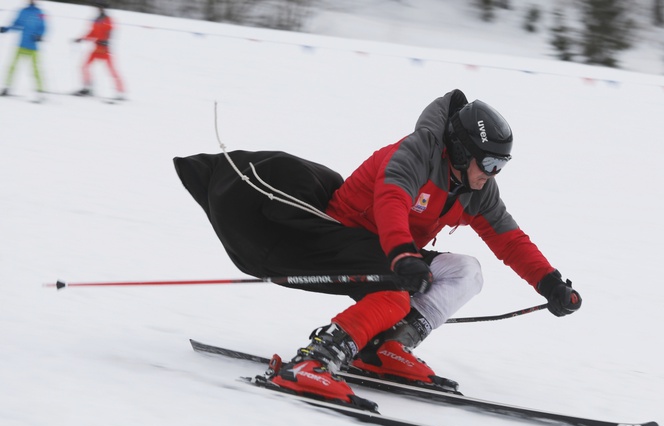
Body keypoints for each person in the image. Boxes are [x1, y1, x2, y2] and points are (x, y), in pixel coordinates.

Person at [174, 89, 582, 408]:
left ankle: (384, 346)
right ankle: (313, 361)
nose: (493, 175)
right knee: (393, 292)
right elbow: (391, 201)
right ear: (461, 150)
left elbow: (509, 238)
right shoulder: (416, 154)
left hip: (390, 249)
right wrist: (403, 255)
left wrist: (549, 285)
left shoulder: (478, 189)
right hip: (339, 234)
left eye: (501, 166)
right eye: (489, 164)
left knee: (466, 272)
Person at [73, 2, 125, 99]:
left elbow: (111, 31)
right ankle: (87, 88)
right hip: (96, 49)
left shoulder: (108, 20)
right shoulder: (95, 20)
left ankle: (120, 92)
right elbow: (92, 33)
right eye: (98, 8)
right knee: (84, 66)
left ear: (105, 9)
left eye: (101, 8)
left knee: (112, 70)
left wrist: (106, 41)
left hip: (105, 50)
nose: (99, 9)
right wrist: (81, 38)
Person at [0, 0, 46, 98]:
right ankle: (7, 87)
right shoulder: (23, 11)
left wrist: (39, 36)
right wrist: (6, 29)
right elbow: (16, 25)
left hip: (33, 46)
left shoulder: (40, 13)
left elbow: (43, 27)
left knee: (35, 69)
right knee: (12, 66)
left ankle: (40, 91)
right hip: (21, 45)